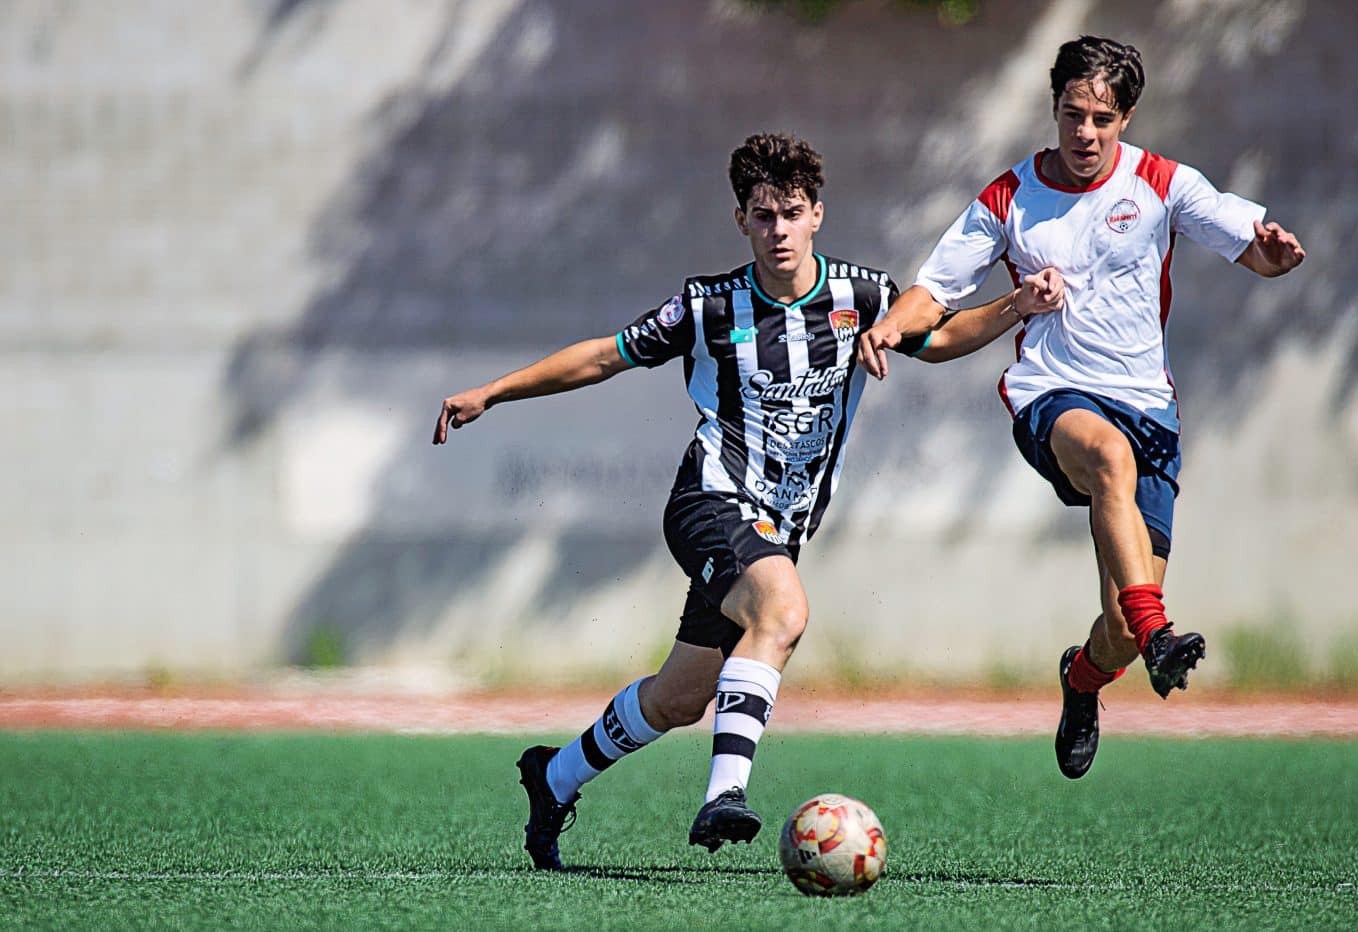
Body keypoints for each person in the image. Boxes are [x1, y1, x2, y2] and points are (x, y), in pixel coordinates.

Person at [433, 133, 1063, 869]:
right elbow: (605, 355)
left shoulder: (860, 297)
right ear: (742, 221)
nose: (779, 230)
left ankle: (555, 775)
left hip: (779, 527)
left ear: (817, 215)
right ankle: (721, 796)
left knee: (678, 699)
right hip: (711, 498)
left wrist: (1017, 304)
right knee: (785, 612)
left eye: (791, 213)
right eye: (763, 216)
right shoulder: (706, 305)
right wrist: (494, 391)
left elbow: (942, 334)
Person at [860, 35, 1305, 780]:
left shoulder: (1164, 182)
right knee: (1106, 458)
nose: (1084, 133)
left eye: (1101, 117)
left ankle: (1083, 680)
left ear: (1126, 117)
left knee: (1119, 631)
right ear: (1055, 108)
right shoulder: (1009, 197)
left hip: (1148, 408)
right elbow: (933, 291)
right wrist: (888, 325)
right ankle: (1161, 634)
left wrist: (1275, 257)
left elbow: (1252, 249)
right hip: (1053, 396)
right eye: (1072, 114)